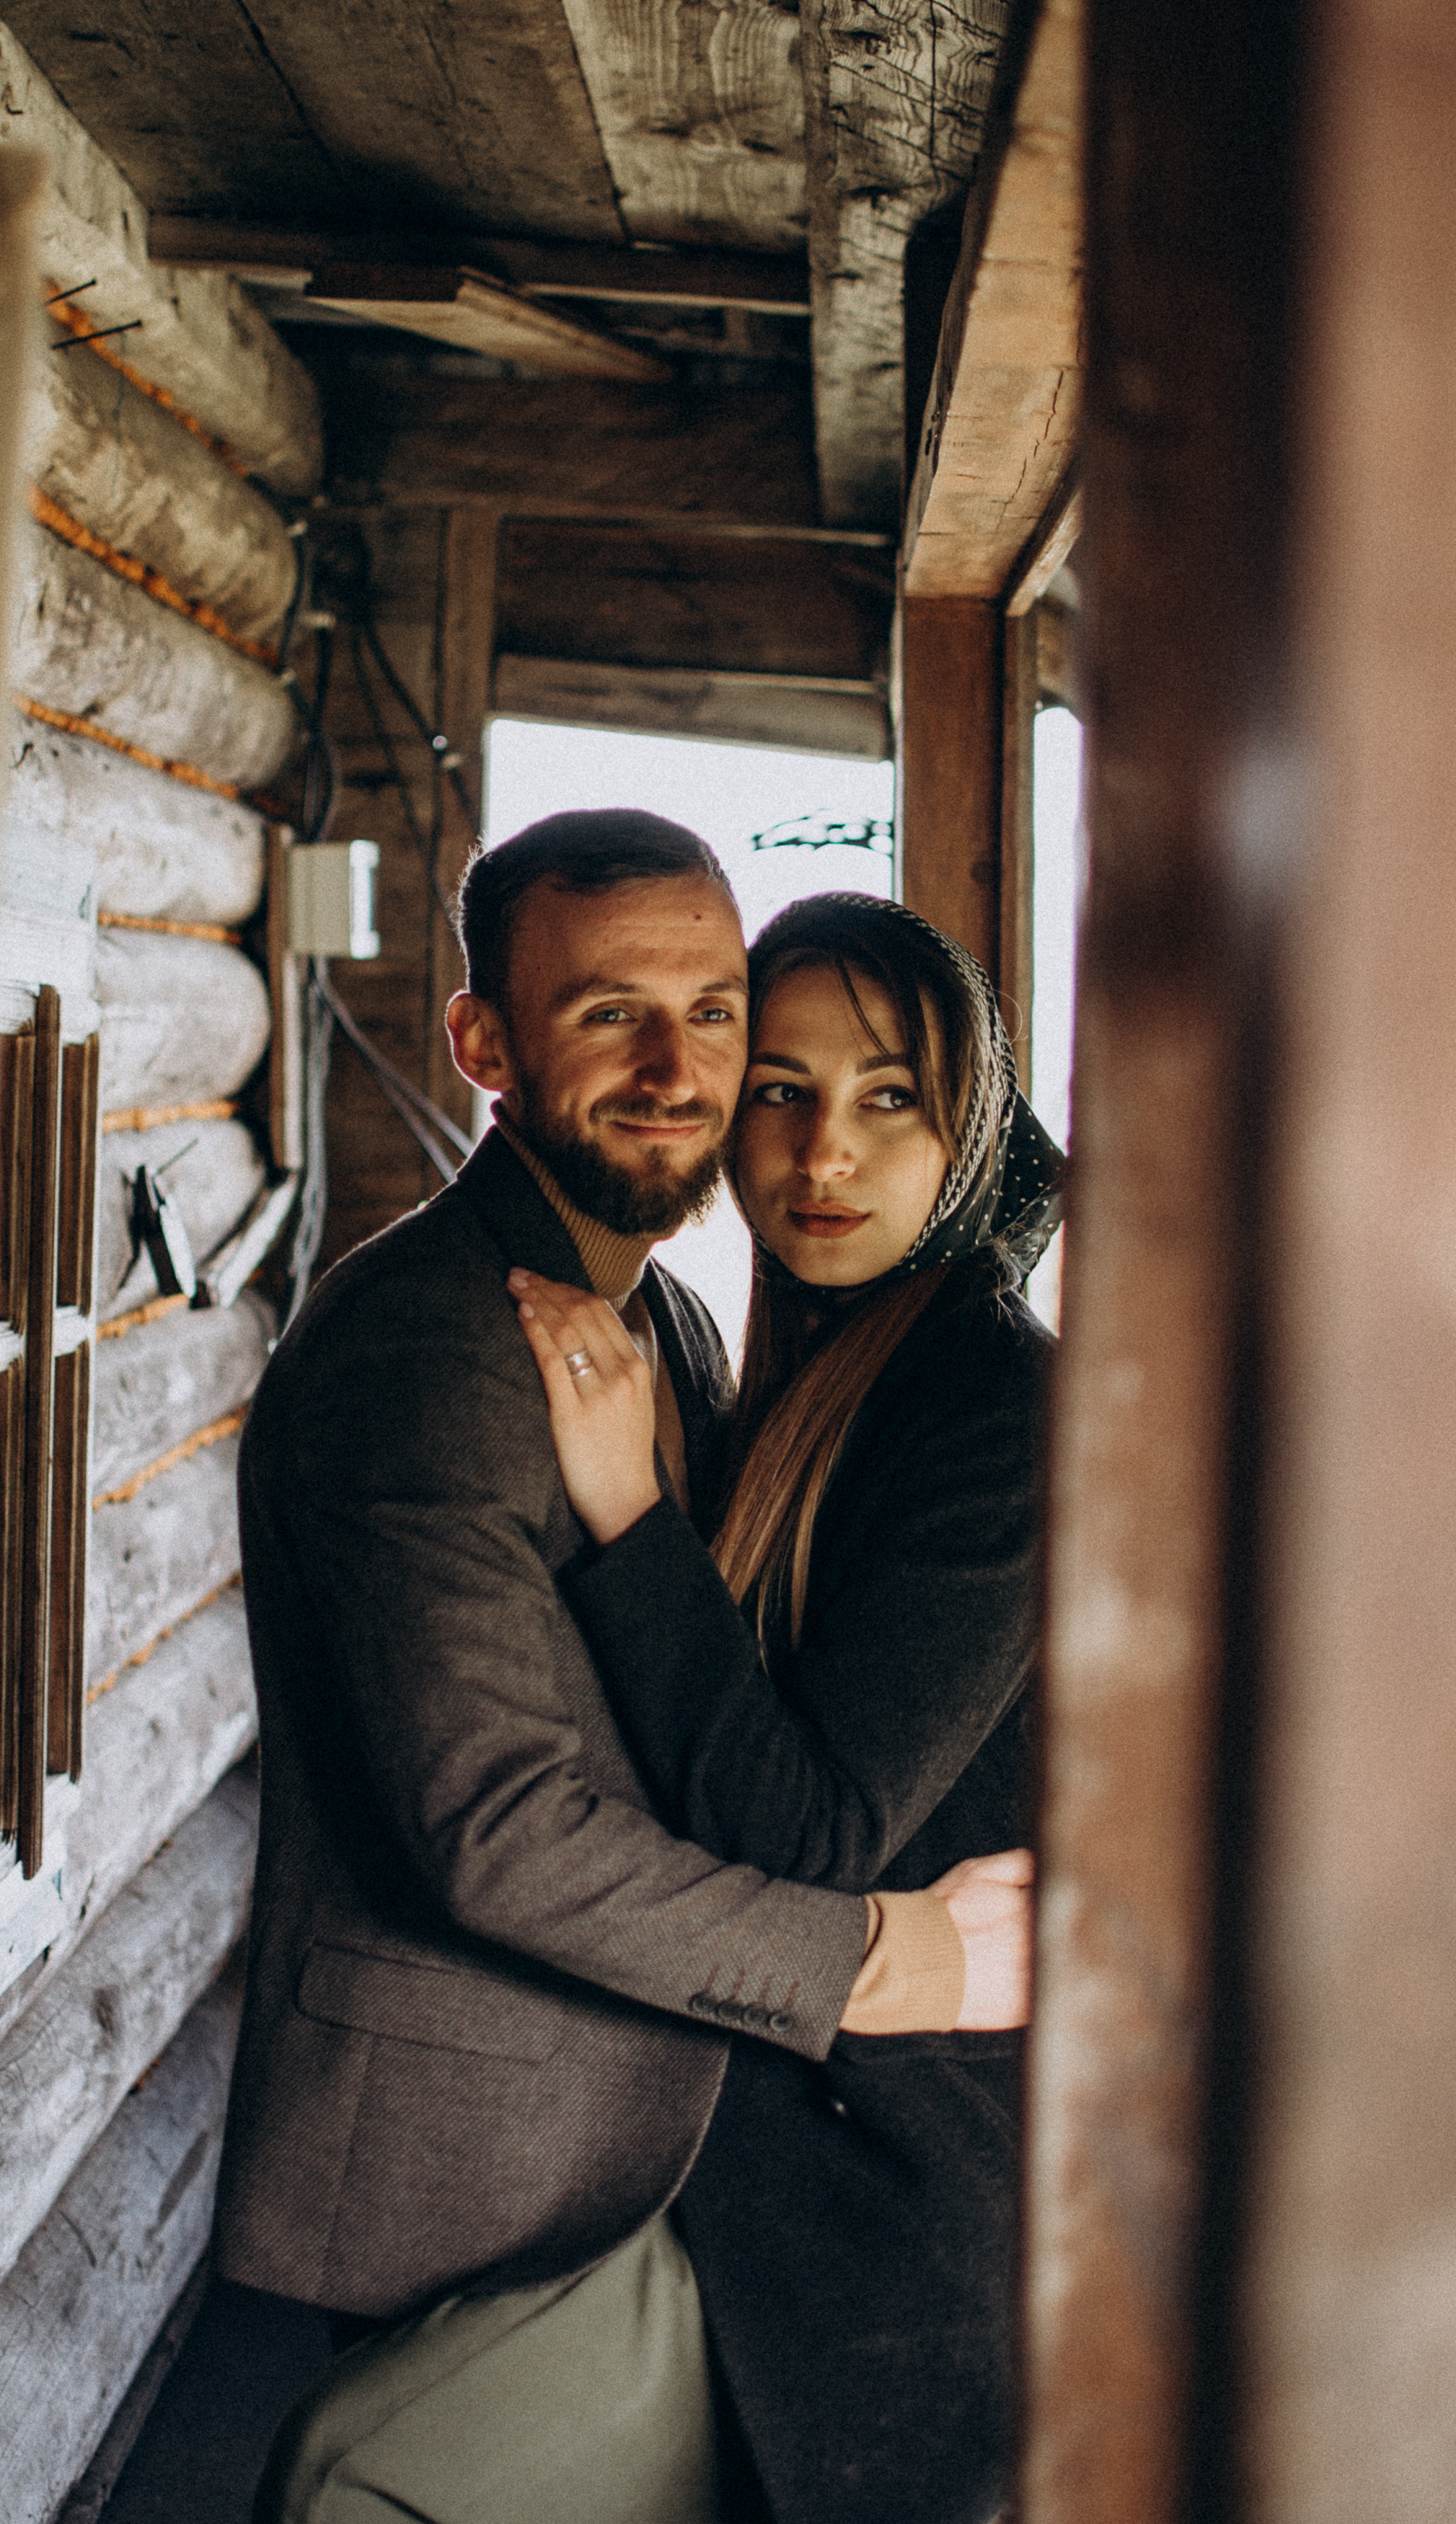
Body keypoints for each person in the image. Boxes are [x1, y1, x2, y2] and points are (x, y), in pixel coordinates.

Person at [216, 820, 1035, 2524]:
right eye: (609, 1013)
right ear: (485, 1045)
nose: (682, 1072)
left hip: (687, 2180)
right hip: (443, 2178)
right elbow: (504, 1832)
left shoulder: (671, 1330)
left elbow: (747, 1737)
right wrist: (877, 1962)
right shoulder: (436, 1351)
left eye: (712, 1012)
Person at [505, 892, 1062, 2524]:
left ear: (965, 1130)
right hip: (807, 2148)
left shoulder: (987, 1396)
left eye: (891, 1096)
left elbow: (807, 1828)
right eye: (784, 1091)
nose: (827, 1150)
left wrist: (629, 1521)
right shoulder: (816, 1379)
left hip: (900, 2195)